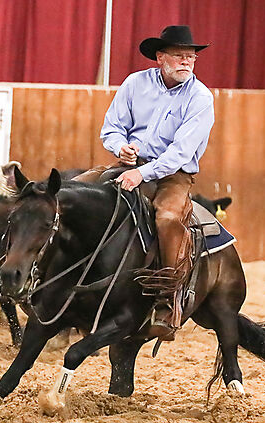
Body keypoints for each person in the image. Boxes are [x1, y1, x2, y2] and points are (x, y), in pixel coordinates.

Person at [75, 25, 214, 341]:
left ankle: (168, 299)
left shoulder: (200, 98)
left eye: (191, 56)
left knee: (168, 218)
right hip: (129, 165)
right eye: (179, 55)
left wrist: (143, 173)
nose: (186, 61)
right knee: (73, 194)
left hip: (172, 175)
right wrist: (120, 147)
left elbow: (180, 153)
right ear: (160, 57)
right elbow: (112, 128)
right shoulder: (135, 84)